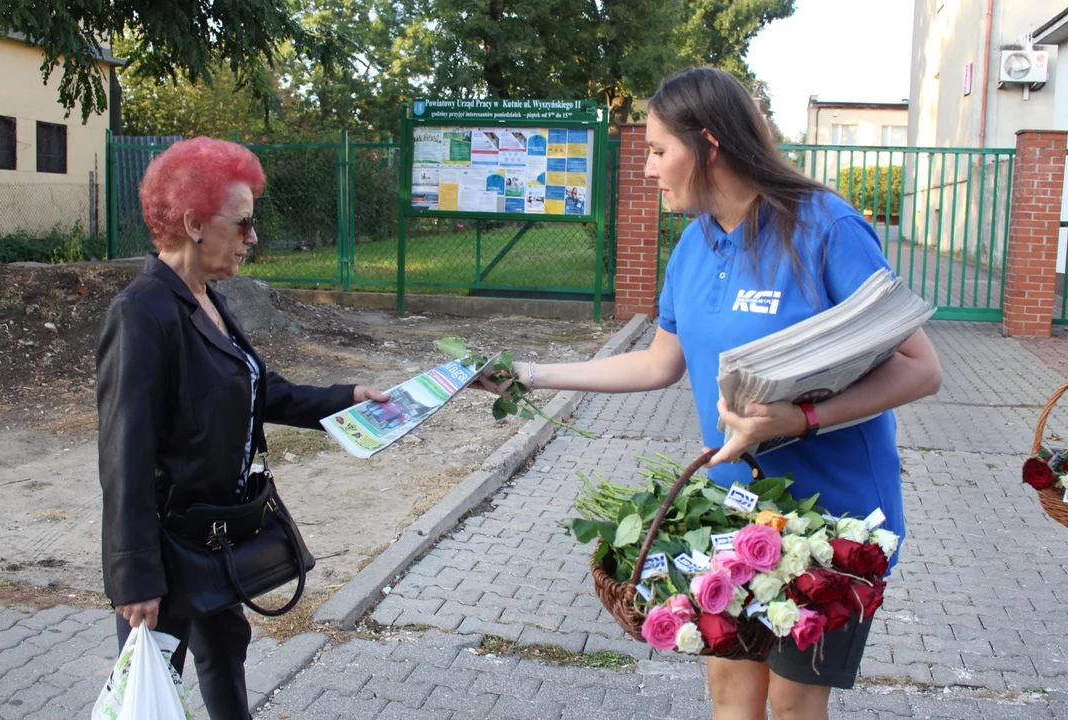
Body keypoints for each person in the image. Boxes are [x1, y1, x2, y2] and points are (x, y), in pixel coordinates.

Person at [488, 67, 942, 720]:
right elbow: (655, 365)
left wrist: (801, 417)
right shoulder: (695, 246)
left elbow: (922, 369)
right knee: (730, 699)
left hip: (835, 522)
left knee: (790, 707)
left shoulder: (825, 227)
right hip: (734, 515)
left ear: (709, 144)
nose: (648, 169)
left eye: (658, 150)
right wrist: (530, 373)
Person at [96, 137, 388, 720]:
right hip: (166, 550)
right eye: (245, 223)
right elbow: (123, 454)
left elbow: (259, 388)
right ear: (195, 223)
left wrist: (347, 397)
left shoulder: (206, 297)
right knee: (151, 692)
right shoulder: (142, 311)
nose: (252, 238)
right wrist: (133, 578)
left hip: (215, 535)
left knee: (227, 649)